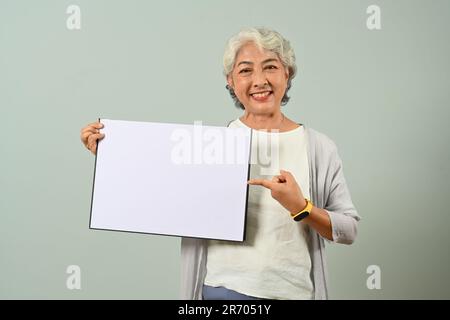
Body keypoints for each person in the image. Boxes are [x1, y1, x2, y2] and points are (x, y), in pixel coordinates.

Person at [80, 27, 360, 300]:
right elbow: (159, 193)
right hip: (223, 292)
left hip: (294, 292)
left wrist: (301, 207)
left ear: (287, 73)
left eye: (271, 67)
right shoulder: (210, 147)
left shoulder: (319, 148)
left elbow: (348, 230)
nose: (260, 80)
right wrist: (114, 157)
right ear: (230, 80)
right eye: (246, 70)